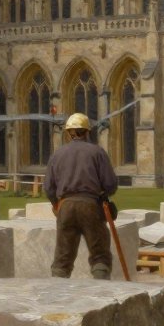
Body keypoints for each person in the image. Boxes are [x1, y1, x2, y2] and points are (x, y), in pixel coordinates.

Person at [44, 113, 119, 280]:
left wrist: (56, 204)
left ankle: (57, 297)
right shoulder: (97, 152)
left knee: (62, 259)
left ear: (69, 133)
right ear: (87, 132)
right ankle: (103, 295)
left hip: (65, 207)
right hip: (90, 206)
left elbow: (49, 188)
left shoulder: (58, 154)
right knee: (100, 255)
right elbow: (110, 184)